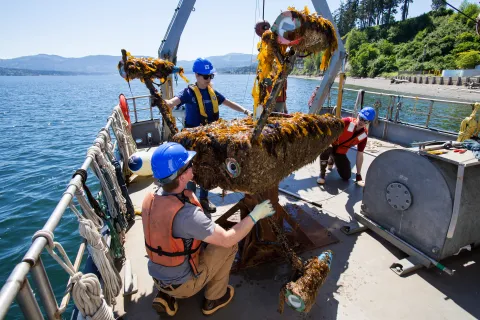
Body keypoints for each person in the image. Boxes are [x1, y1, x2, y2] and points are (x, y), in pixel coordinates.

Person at [143, 142, 275, 316]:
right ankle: (214, 298)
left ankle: (166, 295)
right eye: (190, 164)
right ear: (182, 177)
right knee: (229, 246)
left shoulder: (150, 198)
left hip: (158, 277)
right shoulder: (187, 215)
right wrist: (255, 215)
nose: (193, 165)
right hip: (183, 284)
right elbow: (228, 238)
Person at [165, 58, 252, 214]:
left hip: (210, 138)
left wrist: (246, 111)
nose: (208, 80)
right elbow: (174, 101)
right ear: (197, 76)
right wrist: (168, 103)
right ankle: (189, 197)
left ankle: (204, 199)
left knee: (207, 169)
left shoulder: (212, 93)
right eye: (206, 77)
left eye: (211, 76)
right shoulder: (189, 92)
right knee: (190, 168)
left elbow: (228, 103)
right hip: (192, 138)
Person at [317, 107, 376, 185]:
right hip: (331, 145)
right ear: (358, 115)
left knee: (346, 176)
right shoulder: (347, 121)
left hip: (340, 153)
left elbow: (360, 154)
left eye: (365, 121)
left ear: (369, 122)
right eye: (361, 118)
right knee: (327, 148)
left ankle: (332, 159)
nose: (361, 122)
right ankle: (322, 173)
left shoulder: (364, 135)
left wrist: (358, 175)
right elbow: (329, 130)